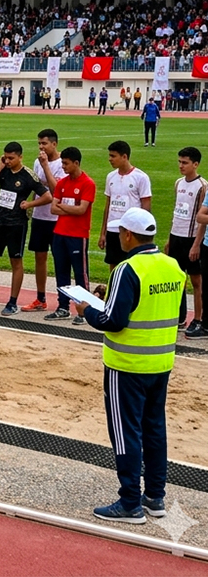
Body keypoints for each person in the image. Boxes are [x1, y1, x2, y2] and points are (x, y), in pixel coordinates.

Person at [82, 208, 183, 524]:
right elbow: (172, 312)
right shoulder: (172, 266)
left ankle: (129, 502)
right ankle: (154, 496)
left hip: (126, 364)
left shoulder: (127, 269)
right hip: (161, 362)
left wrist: (87, 309)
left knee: (126, 432)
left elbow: (112, 320)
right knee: (154, 429)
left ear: (128, 234)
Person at [0, 142, 52, 315]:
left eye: (11, 158)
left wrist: (30, 203)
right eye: (5, 157)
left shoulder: (28, 175)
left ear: (20, 157)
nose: (7, 161)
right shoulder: (3, 171)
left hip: (17, 224)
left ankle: (12, 302)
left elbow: (47, 196)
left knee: (16, 262)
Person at [47, 147, 96, 323]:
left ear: (76, 163)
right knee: (61, 272)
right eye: (62, 163)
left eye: (66, 163)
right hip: (59, 233)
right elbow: (53, 208)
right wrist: (70, 209)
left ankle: (84, 311)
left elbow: (82, 210)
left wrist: (63, 208)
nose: (64, 166)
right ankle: (62, 307)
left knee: (81, 274)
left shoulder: (87, 183)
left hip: (78, 235)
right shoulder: (62, 183)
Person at [25, 129, 64, 312]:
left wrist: (46, 166)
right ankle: (41, 298)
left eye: (44, 143)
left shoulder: (62, 164)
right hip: (40, 216)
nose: (41, 147)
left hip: (57, 218)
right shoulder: (37, 162)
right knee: (40, 257)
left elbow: (58, 191)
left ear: (54, 144)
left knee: (60, 260)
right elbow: (36, 186)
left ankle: (63, 301)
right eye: (39, 143)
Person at [167, 147, 204, 334]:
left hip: (191, 239)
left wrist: (197, 244)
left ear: (195, 164)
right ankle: (179, 316)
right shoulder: (178, 183)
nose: (181, 165)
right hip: (176, 236)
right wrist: (169, 239)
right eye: (179, 162)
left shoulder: (202, 186)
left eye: (185, 162)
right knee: (176, 279)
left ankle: (198, 318)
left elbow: (201, 219)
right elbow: (176, 212)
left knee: (196, 281)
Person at [100, 141, 152, 270]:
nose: (110, 159)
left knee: (132, 267)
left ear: (124, 156)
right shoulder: (110, 177)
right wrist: (103, 233)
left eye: (113, 156)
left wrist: (142, 233)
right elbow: (108, 206)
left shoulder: (141, 177)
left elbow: (146, 206)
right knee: (113, 266)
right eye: (110, 156)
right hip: (113, 230)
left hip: (131, 232)